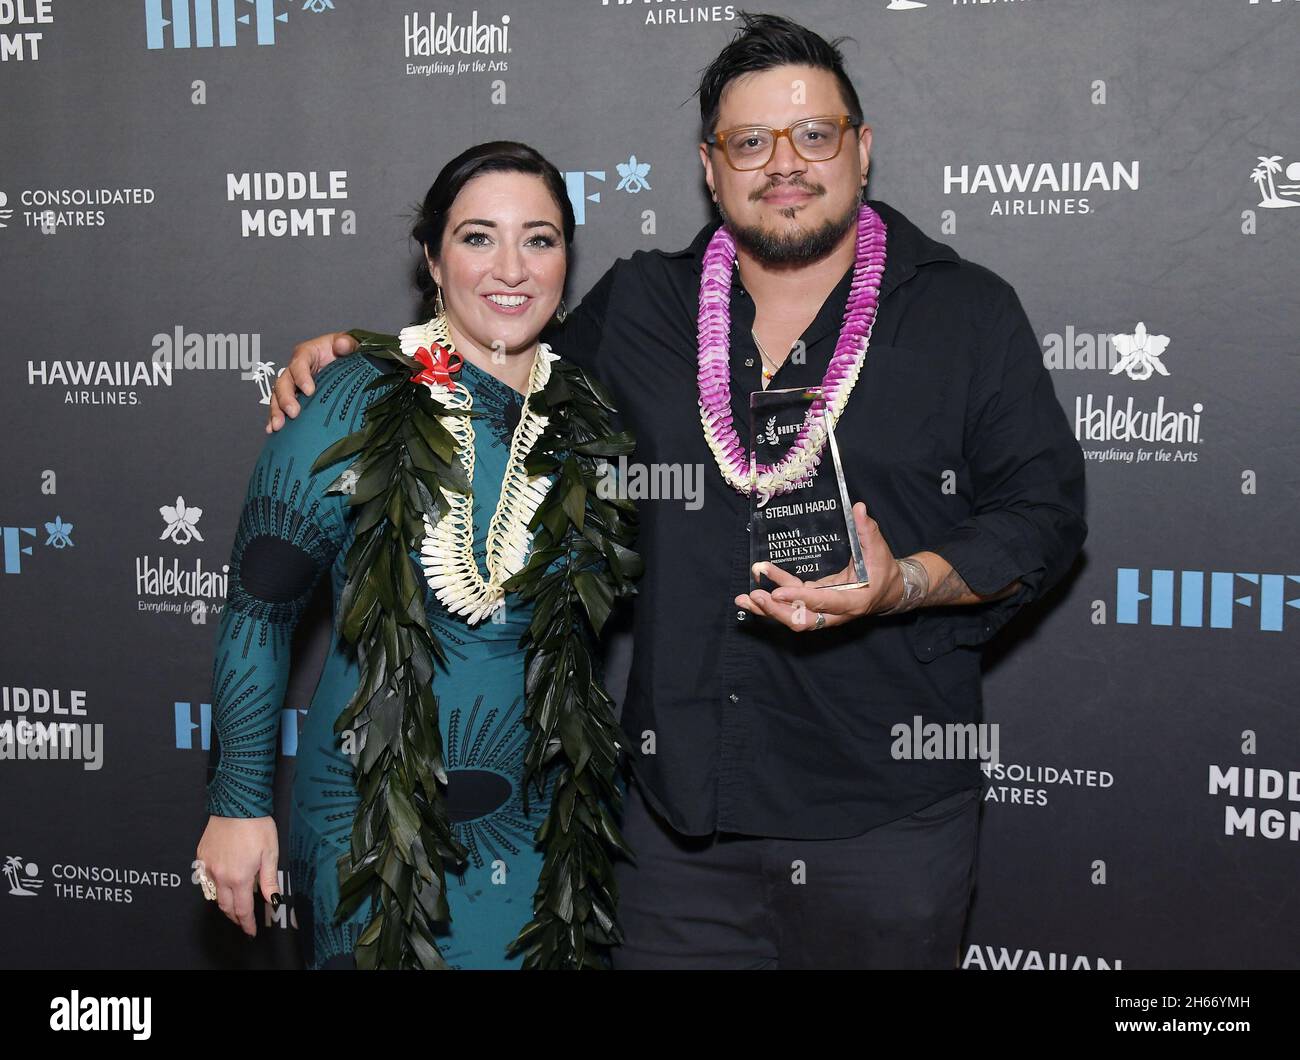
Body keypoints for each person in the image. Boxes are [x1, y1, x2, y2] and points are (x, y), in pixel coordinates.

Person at [268, 13, 1087, 969]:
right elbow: (500, 378)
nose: (784, 163)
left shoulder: (965, 310)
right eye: (751, 141)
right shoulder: (643, 303)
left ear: (862, 150)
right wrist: (367, 361)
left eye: (814, 134)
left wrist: (905, 580)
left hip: (887, 827)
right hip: (674, 841)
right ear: (711, 165)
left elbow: (1043, 517)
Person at [195, 141, 633, 969]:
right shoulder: (353, 397)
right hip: (375, 834)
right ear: (432, 259)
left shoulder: (587, 413)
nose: (511, 267)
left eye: (539, 239)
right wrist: (238, 802)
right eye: (477, 237)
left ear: (567, 260)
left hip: (548, 840)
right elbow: (260, 611)